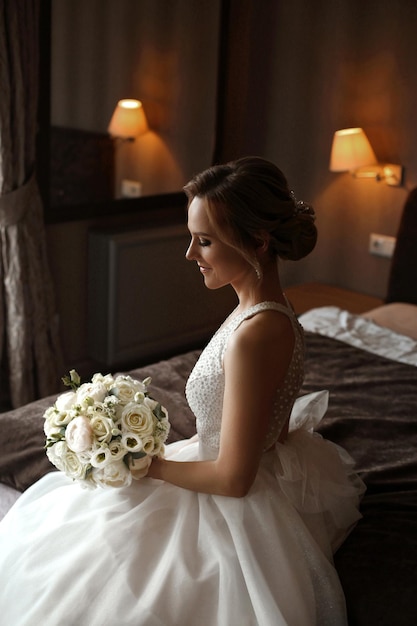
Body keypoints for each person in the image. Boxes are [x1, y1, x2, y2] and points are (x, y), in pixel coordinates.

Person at [0, 157, 364, 625]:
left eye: (205, 241)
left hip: (227, 487)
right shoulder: (261, 311)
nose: (190, 254)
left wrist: (149, 466)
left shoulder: (257, 333)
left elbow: (234, 480)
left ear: (258, 240)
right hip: (222, 460)